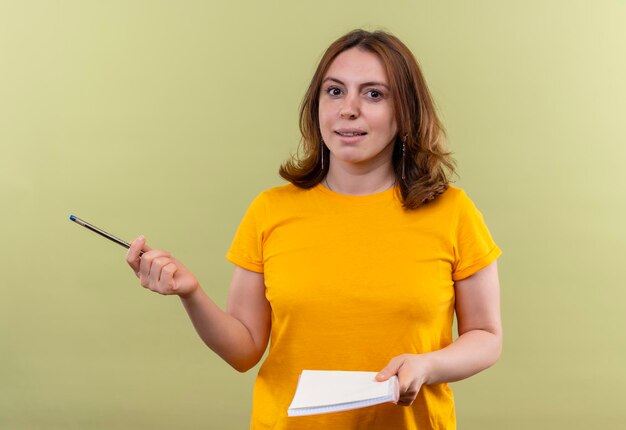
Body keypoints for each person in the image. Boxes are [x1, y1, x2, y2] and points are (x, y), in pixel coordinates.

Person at [125, 29, 502, 430]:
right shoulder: (270, 210)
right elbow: (244, 350)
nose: (348, 109)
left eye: (374, 94)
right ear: (316, 104)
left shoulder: (452, 211)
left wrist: (428, 365)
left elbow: (485, 336)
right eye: (335, 91)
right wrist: (191, 292)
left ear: (405, 111)